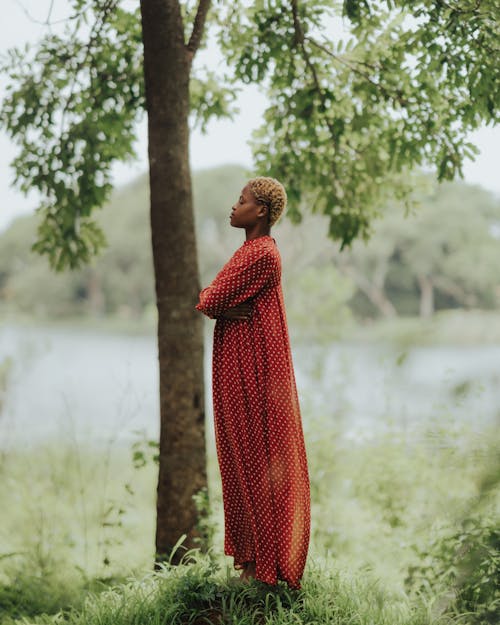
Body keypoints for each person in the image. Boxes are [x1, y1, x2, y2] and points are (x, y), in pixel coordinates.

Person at [195, 176, 310, 590]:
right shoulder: (250, 251)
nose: (233, 206)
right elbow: (214, 299)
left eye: (240, 200)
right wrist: (224, 305)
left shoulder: (260, 253)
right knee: (240, 461)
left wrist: (220, 304)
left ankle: (263, 567)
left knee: (253, 461)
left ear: (260, 210)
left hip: (250, 370)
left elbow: (208, 300)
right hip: (238, 364)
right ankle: (251, 563)